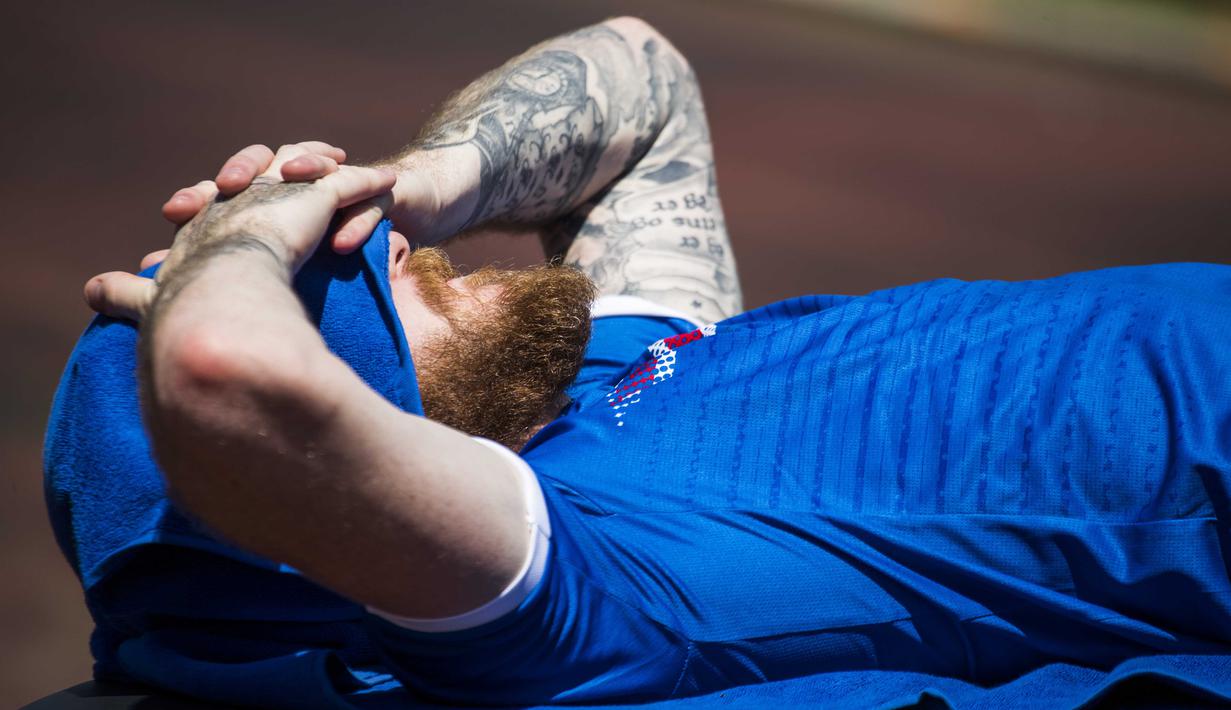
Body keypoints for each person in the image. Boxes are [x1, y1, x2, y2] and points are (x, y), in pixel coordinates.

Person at [80, 16, 1231, 706]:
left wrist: (411, 184)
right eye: (339, 286)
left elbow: (645, 84)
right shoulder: (549, 588)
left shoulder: (568, 395)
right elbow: (228, 374)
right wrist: (238, 235)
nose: (379, 244)